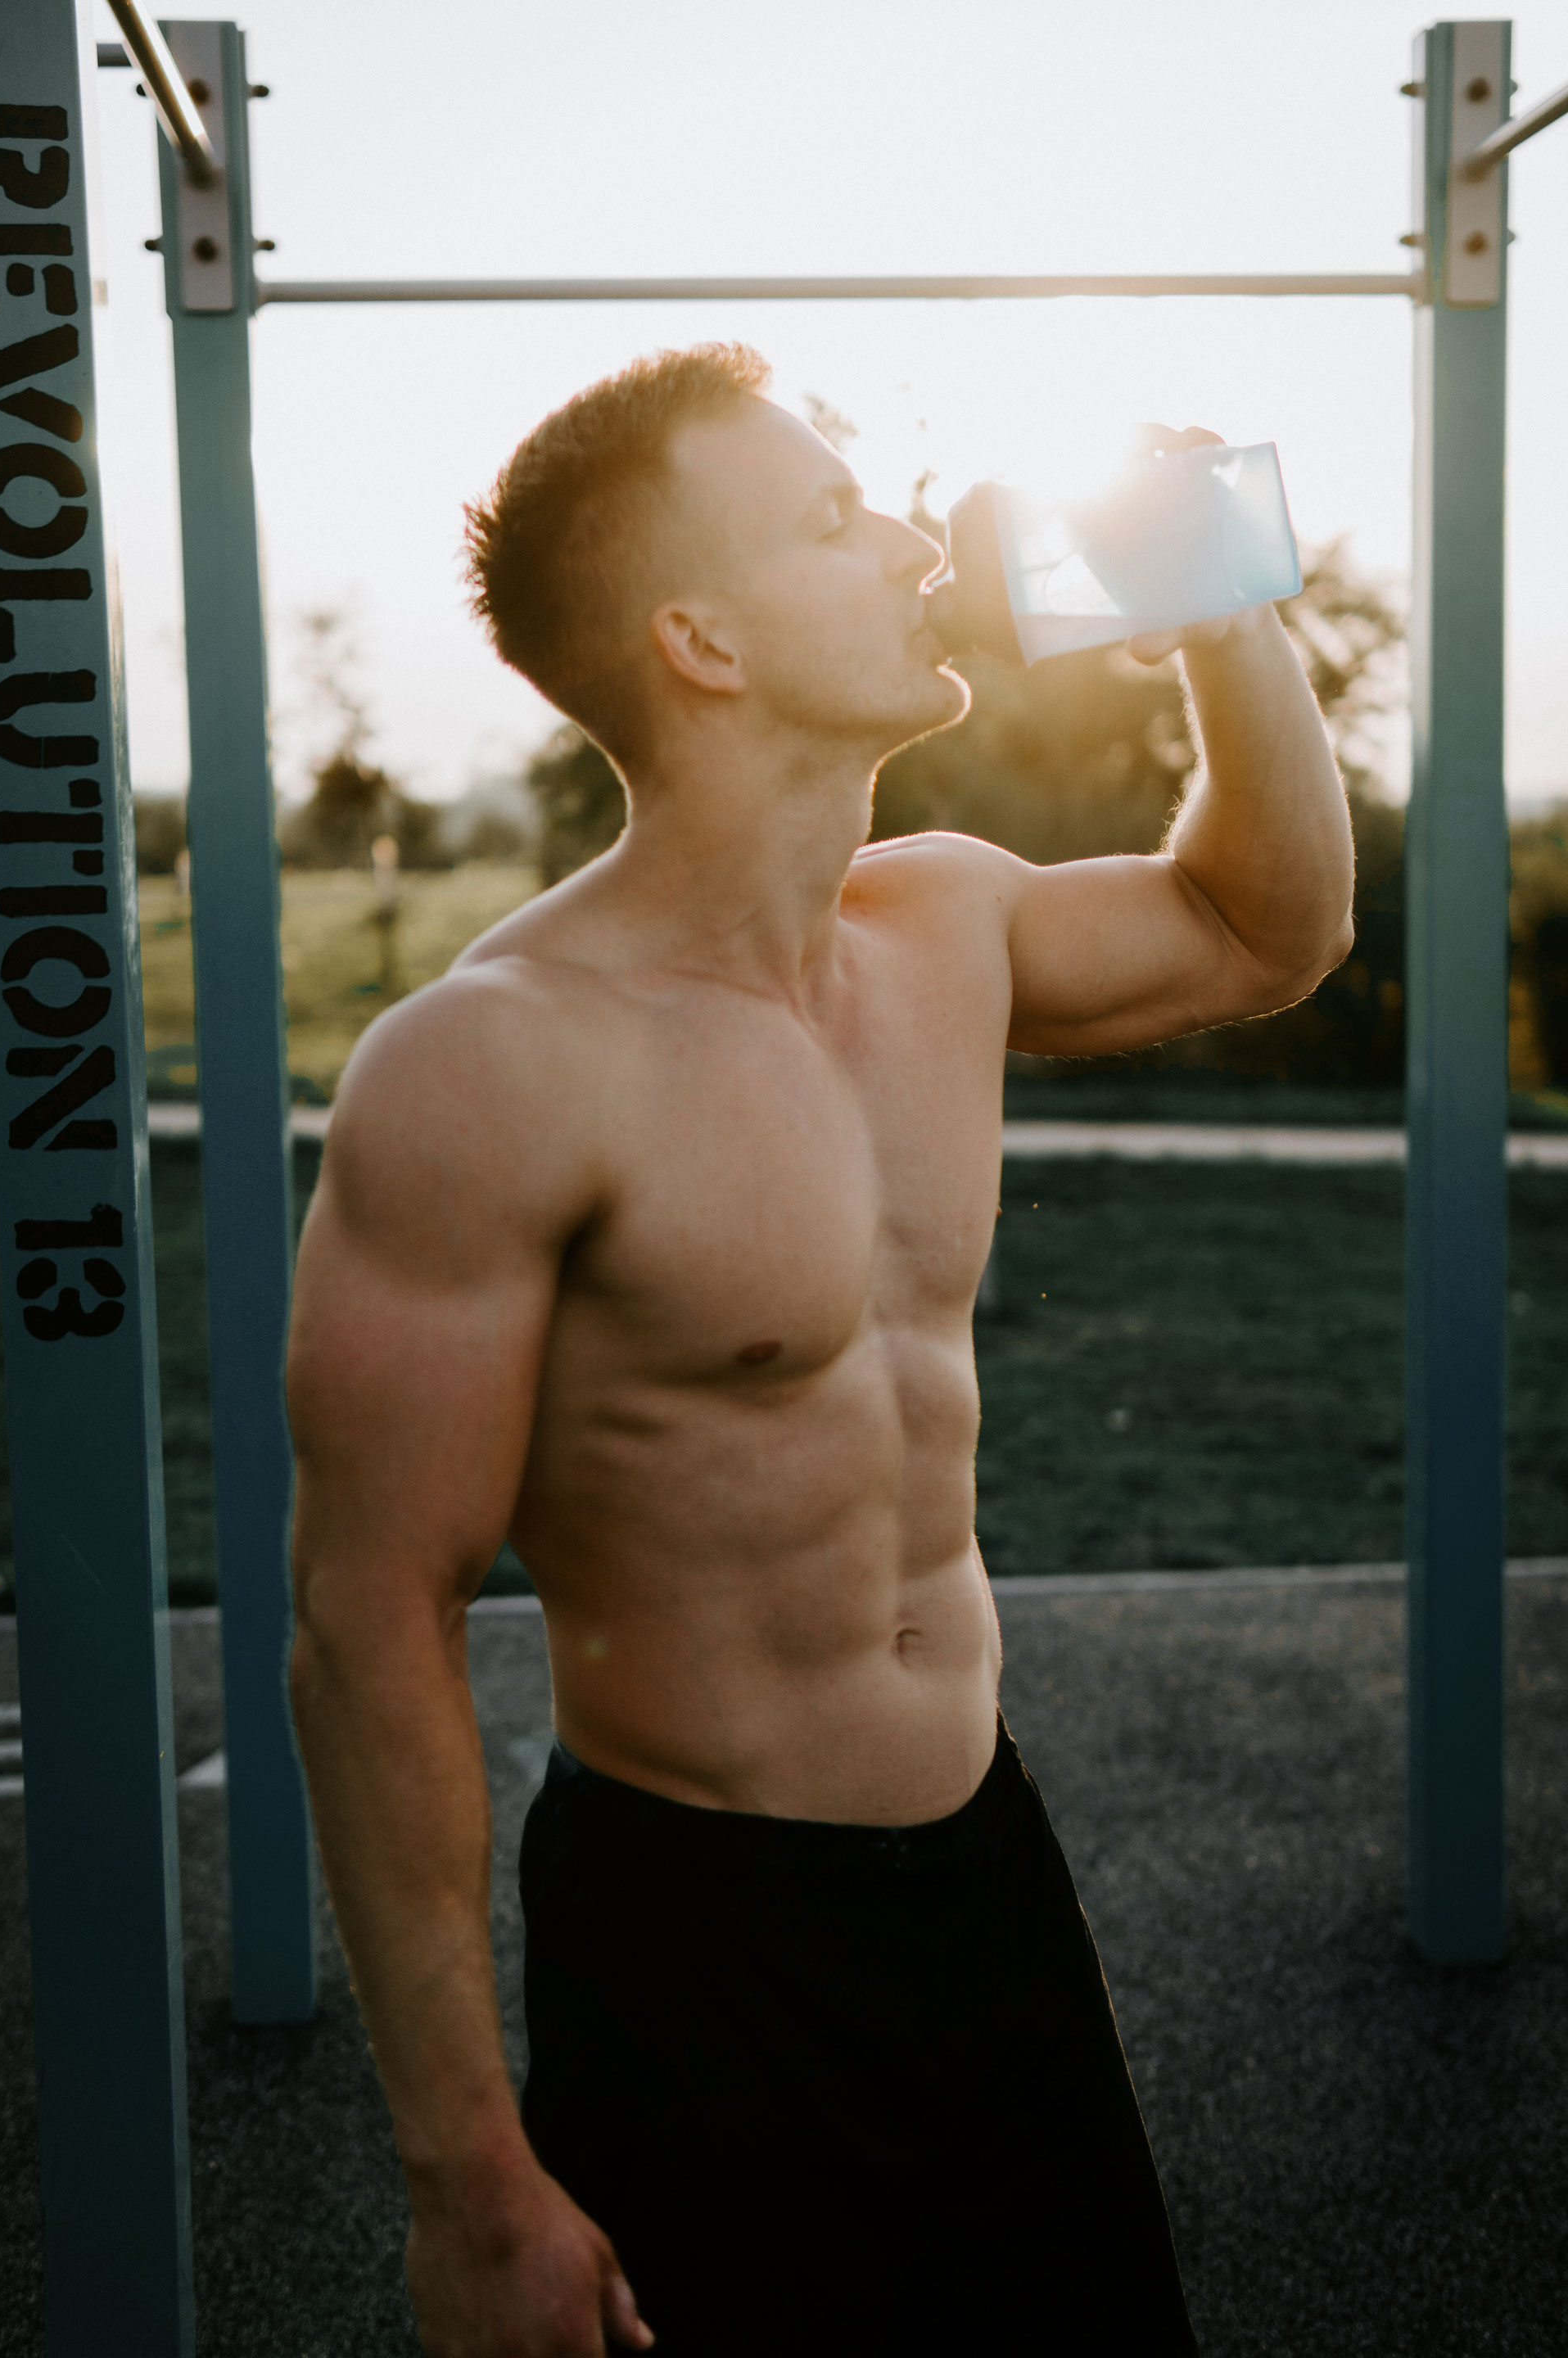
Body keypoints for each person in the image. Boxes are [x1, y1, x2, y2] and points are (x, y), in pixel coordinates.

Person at [287, 342, 1353, 2357]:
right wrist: (470, 2176)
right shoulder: (494, 1064)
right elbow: (369, 1615)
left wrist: (1226, 613)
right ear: (700, 638)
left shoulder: (942, 927)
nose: (909, 534)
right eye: (830, 518)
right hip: (708, 1947)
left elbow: (1264, 932)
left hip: (989, 1871)